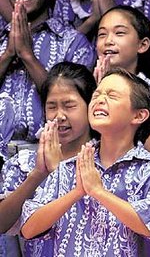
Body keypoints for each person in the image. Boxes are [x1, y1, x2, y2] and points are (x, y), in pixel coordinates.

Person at [21, 67, 150, 256]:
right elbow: (29, 228)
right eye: (96, 95)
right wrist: (77, 192)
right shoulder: (69, 168)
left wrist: (98, 192)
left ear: (139, 115)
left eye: (112, 95)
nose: (99, 100)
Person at [0, 0, 96, 160]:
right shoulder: (1, 40)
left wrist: (27, 56)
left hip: (49, 161)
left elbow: (74, 102)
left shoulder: (74, 43)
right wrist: (8, 54)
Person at [0, 61, 97, 256]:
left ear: (90, 105)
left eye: (69, 105)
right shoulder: (25, 163)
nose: (59, 116)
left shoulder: (104, 158)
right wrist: (38, 174)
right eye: (51, 106)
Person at [94, 5, 150, 157]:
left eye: (119, 33)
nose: (108, 41)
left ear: (142, 45)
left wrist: (114, 99)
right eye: (102, 34)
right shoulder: (88, 88)